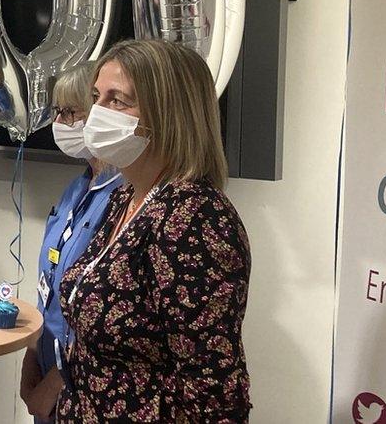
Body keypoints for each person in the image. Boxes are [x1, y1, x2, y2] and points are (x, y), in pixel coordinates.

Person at [57, 40, 252, 422]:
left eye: (117, 100)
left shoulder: (196, 218)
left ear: (167, 115)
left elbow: (213, 388)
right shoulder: (126, 197)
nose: (95, 114)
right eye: (96, 98)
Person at [19, 64, 123, 423]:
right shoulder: (76, 189)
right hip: (46, 361)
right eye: (57, 112)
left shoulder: (124, 198)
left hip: (82, 384)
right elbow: (50, 286)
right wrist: (31, 356)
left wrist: (58, 380)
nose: (61, 123)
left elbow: (104, 310)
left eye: (71, 111)